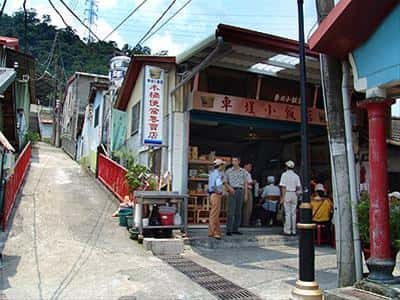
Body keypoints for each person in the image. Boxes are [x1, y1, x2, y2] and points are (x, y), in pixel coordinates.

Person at [207, 159, 232, 240]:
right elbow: (217, 186)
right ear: (220, 165)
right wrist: (221, 192)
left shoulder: (212, 173)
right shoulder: (217, 174)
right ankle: (214, 232)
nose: (223, 167)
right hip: (216, 194)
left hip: (212, 194)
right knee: (214, 214)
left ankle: (214, 232)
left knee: (215, 214)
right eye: (222, 165)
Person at [225, 157, 248, 236]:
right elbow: (225, 182)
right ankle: (229, 230)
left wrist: (246, 194)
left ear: (239, 161)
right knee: (230, 211)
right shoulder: (228, 171)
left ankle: (236, 229)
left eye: (235, 161)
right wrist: (229, 188)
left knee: (238, 211)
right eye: (232, 161)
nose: (233, 162)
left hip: (240, 191)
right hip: (232, 191)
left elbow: (245, 183)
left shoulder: (243, 171)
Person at [279, 160, 301, 236]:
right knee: (294, 213)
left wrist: (282, 197)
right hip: (294, 193)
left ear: (286, 167)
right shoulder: (296, 176)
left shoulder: (284, 175)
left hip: (287, 193)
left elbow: (283, 187)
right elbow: (298, 187)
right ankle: (294, 230)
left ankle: (287, 230)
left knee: (287, 213)